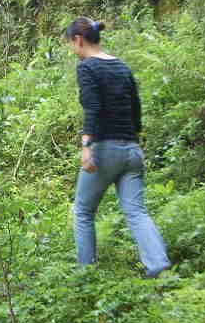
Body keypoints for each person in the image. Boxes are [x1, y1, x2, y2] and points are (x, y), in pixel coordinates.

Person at [66, 18, 171, 277]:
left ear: (78, 40)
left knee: (83, 212)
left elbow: (92, 108)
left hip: (104, 150)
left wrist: (87, 146)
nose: (72, 49)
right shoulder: (122, 66)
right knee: (136, 212)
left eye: (70, 43)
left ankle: (86, 274)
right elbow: (136, 109)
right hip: (132, 150)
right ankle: (159, 266)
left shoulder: (87, 68)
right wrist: (133, 140)